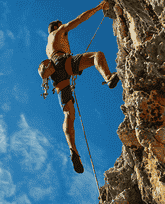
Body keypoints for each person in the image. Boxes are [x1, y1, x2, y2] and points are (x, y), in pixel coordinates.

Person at [38, 0, 119, 173]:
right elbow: (80, 19)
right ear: (57, 26)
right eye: (61, 25)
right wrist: (99, 7)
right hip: (62, 63)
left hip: (57, 77)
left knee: (68, 113)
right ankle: (109, 77)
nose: (64, 29)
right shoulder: (59, 31)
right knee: (97, 56)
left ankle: (73, 150)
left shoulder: (48, 46)